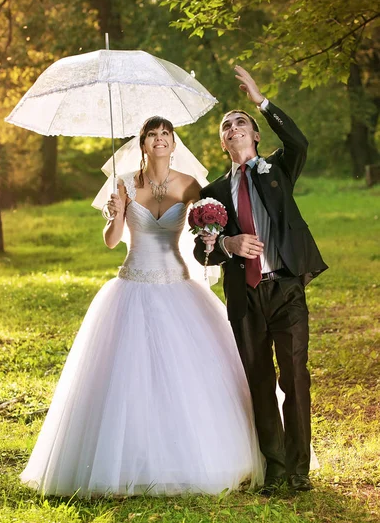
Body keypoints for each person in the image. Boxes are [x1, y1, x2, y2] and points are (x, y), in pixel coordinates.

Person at [20, 116, 264, 497]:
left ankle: (192, 456)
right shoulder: (124, 184)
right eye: (153, 135)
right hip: (132, 282)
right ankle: (127, 461)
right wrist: (116, 214)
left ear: (173, 142)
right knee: (127, 376)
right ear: (143, 144)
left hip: (177, 284)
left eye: (166, 134)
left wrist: (213, 234)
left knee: (185, 376)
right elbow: (110, 240)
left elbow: (205, 239)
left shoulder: (190, 185)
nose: (160, 140)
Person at [195, 67, 328, 493]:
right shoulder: (211, 192)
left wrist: (261, 102)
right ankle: (273, 468)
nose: (233, 127)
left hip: (286, 286)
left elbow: (299, 141)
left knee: (295, 378)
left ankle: (299, 469)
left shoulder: (278, 169)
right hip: (244, 294)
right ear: (223, 142)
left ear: (253, 135)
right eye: (226, 125)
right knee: (259, 380)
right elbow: (201, 249)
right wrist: (227, 245)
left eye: (240, 122)